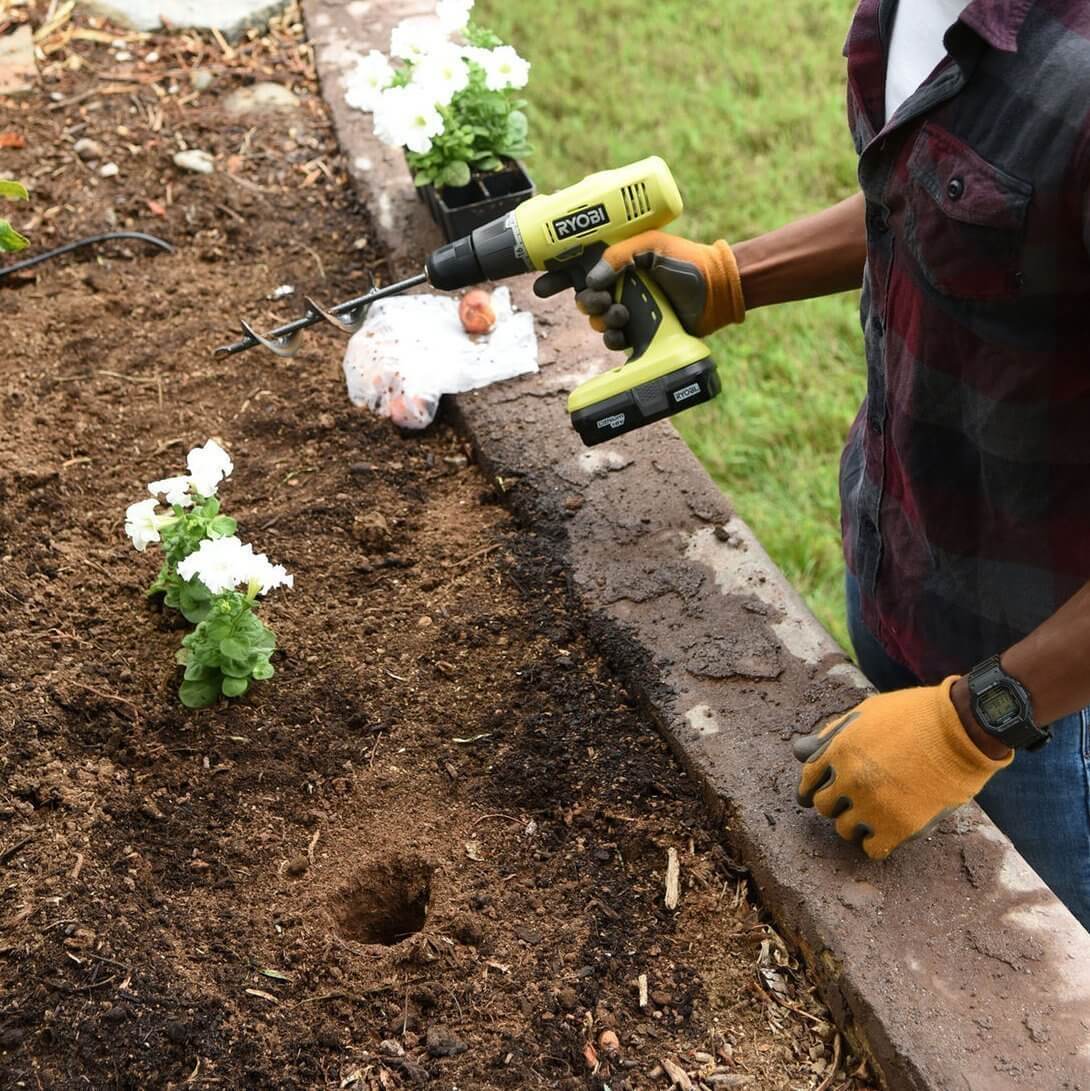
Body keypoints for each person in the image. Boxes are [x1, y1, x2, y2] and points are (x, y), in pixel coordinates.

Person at [535, 0, 1090, 931]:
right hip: (898, 560)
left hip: (1044, 691)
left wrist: (980, 718)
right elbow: (934, 199)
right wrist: (731, 275)